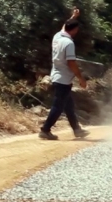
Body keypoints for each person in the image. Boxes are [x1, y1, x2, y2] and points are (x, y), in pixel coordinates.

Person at [39, 8, 91, 140]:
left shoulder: (58, 36)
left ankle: (77, 130)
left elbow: (64, 27)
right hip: (63, 79)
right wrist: (81, 78)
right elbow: (71, 63)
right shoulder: (69, 43)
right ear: (74, 30)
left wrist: (73, 16)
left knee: (69, 105)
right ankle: (45, 130)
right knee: (58, 106)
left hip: (57, 75)